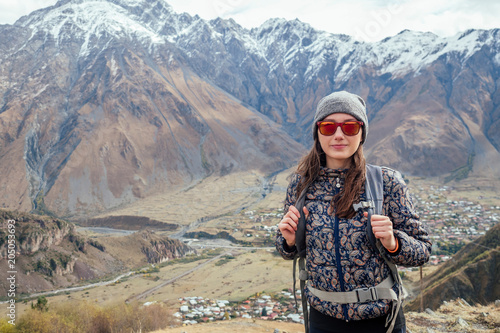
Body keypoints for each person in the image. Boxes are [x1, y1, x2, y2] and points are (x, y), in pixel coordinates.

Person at [276, 91, 431, 333]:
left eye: (350, 127)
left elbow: (422, 250)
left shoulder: (385, 182)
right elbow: (287, 251)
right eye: (328, 127)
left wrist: (393, 243)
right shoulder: (301, 185)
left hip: (381, 320)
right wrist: (288, 240)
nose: (338, 135)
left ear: (362, 134)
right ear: (317, 133)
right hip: (322, 320)